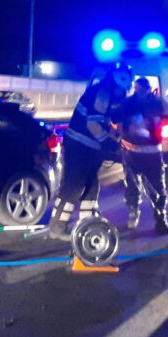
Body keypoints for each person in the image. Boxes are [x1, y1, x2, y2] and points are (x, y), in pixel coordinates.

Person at [47, 62, 133, 241]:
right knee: (74, 187)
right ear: (118, 81)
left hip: (89, 147)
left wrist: (116, 138)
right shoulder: (102, 93)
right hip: (79, 146)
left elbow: (104, 122)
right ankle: (57, 227)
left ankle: (87, 225)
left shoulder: (106, 94)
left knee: (91, 187)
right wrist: (109, 144)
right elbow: (92, 124)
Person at [114, 77, 168, 234]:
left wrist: (164, 126)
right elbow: (116, 121)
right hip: (132, 152)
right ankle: (133, 212)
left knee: (158, 188)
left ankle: (160, 218)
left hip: (152, 152)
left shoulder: (158, 102)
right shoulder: (127, 104)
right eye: (140, 88)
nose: (142, 91)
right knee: (132, 186)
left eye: (145, 88)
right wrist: (122, 134)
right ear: (136, 88)